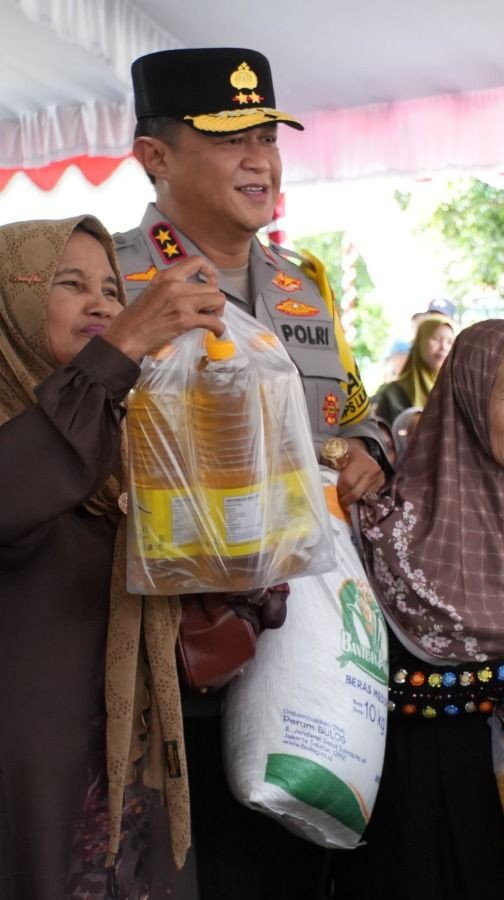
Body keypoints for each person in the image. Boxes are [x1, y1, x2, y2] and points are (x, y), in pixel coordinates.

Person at [119, 47, 387, 898]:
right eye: (232, 137)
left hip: (301, 649)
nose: (260, 159)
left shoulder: (302, 284)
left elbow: (347, 413)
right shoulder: (111, 279)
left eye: (268, 135)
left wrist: (373, 446)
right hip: (174, 648)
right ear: (155, 156)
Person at [0, 216, 225, 899]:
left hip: (129, 774)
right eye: (70, 284)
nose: (102, 304)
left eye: (110, 288)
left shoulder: (126, 432)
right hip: (29, 784)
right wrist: (121, 346)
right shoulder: (35, 427)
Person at [334, 320, 504, 899]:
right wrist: (496, 681)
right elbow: (371, 685)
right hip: (425, 804)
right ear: (469, 400)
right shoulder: (387, 526)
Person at [372, 313, 454, 422]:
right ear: (421, 342)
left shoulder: (454, 391)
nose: (443, 347)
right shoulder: (392, 393)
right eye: (436, 339)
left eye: (450, 342)